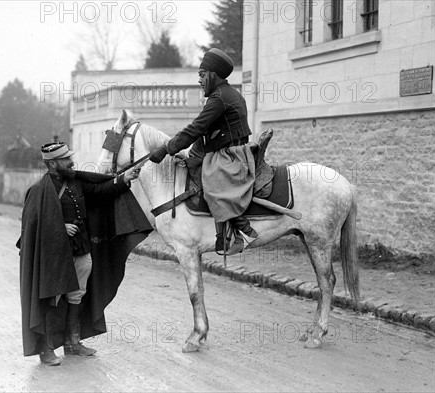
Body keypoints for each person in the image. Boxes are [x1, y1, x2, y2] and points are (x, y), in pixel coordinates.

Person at [17, 142, 151, 366]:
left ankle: (72, 343)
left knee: (77, 296)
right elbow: (33, 226)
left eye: (70, 157)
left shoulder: (76, 182)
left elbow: (100, 191)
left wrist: (124, 178)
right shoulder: (39, 189)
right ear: (52, 164)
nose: (71, 161)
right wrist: (61, 226)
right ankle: (46, 349)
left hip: (81, 250)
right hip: (54, 258)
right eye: (65, 159)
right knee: (52, 299)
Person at [149, 48, 258, 255]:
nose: (199, 80)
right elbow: (205, 132)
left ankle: (244, 231)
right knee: (194, 168)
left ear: (212, 75)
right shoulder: (222, 95)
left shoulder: (220, 98)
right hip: (225, 151)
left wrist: (165, 149)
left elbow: (196, 128)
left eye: (201, 75)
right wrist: (189, 154)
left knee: (210, 182)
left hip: (232, 155)